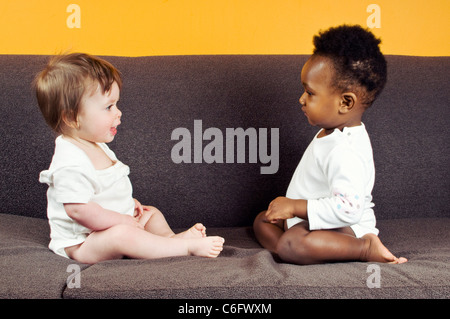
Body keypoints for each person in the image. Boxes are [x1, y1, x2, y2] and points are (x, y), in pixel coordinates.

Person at [35, 53, 224, 264]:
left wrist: (127, 204)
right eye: (109, 107)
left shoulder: (96, 145)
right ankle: (184, 248)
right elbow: (79, 210)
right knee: (122, 235)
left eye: (116, 105)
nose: (119, 113)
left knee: (150, 213)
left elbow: (106, 190)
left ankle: (169, 239)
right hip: (85, 243)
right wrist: (121, 219)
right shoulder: (70, 160)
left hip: (112, 225)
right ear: (71, 117)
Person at [253, 25, 407, 265]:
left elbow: (348, 210)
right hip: (310, 220)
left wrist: (294, 206)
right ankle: (291, 250)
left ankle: (364, 248)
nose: (301, 99)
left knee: (293, 242)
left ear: (345, 102)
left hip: (345, 226)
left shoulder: (345, 149)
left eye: (310, 93)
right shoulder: (333, 130)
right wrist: (290, 210)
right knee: (262, 221)